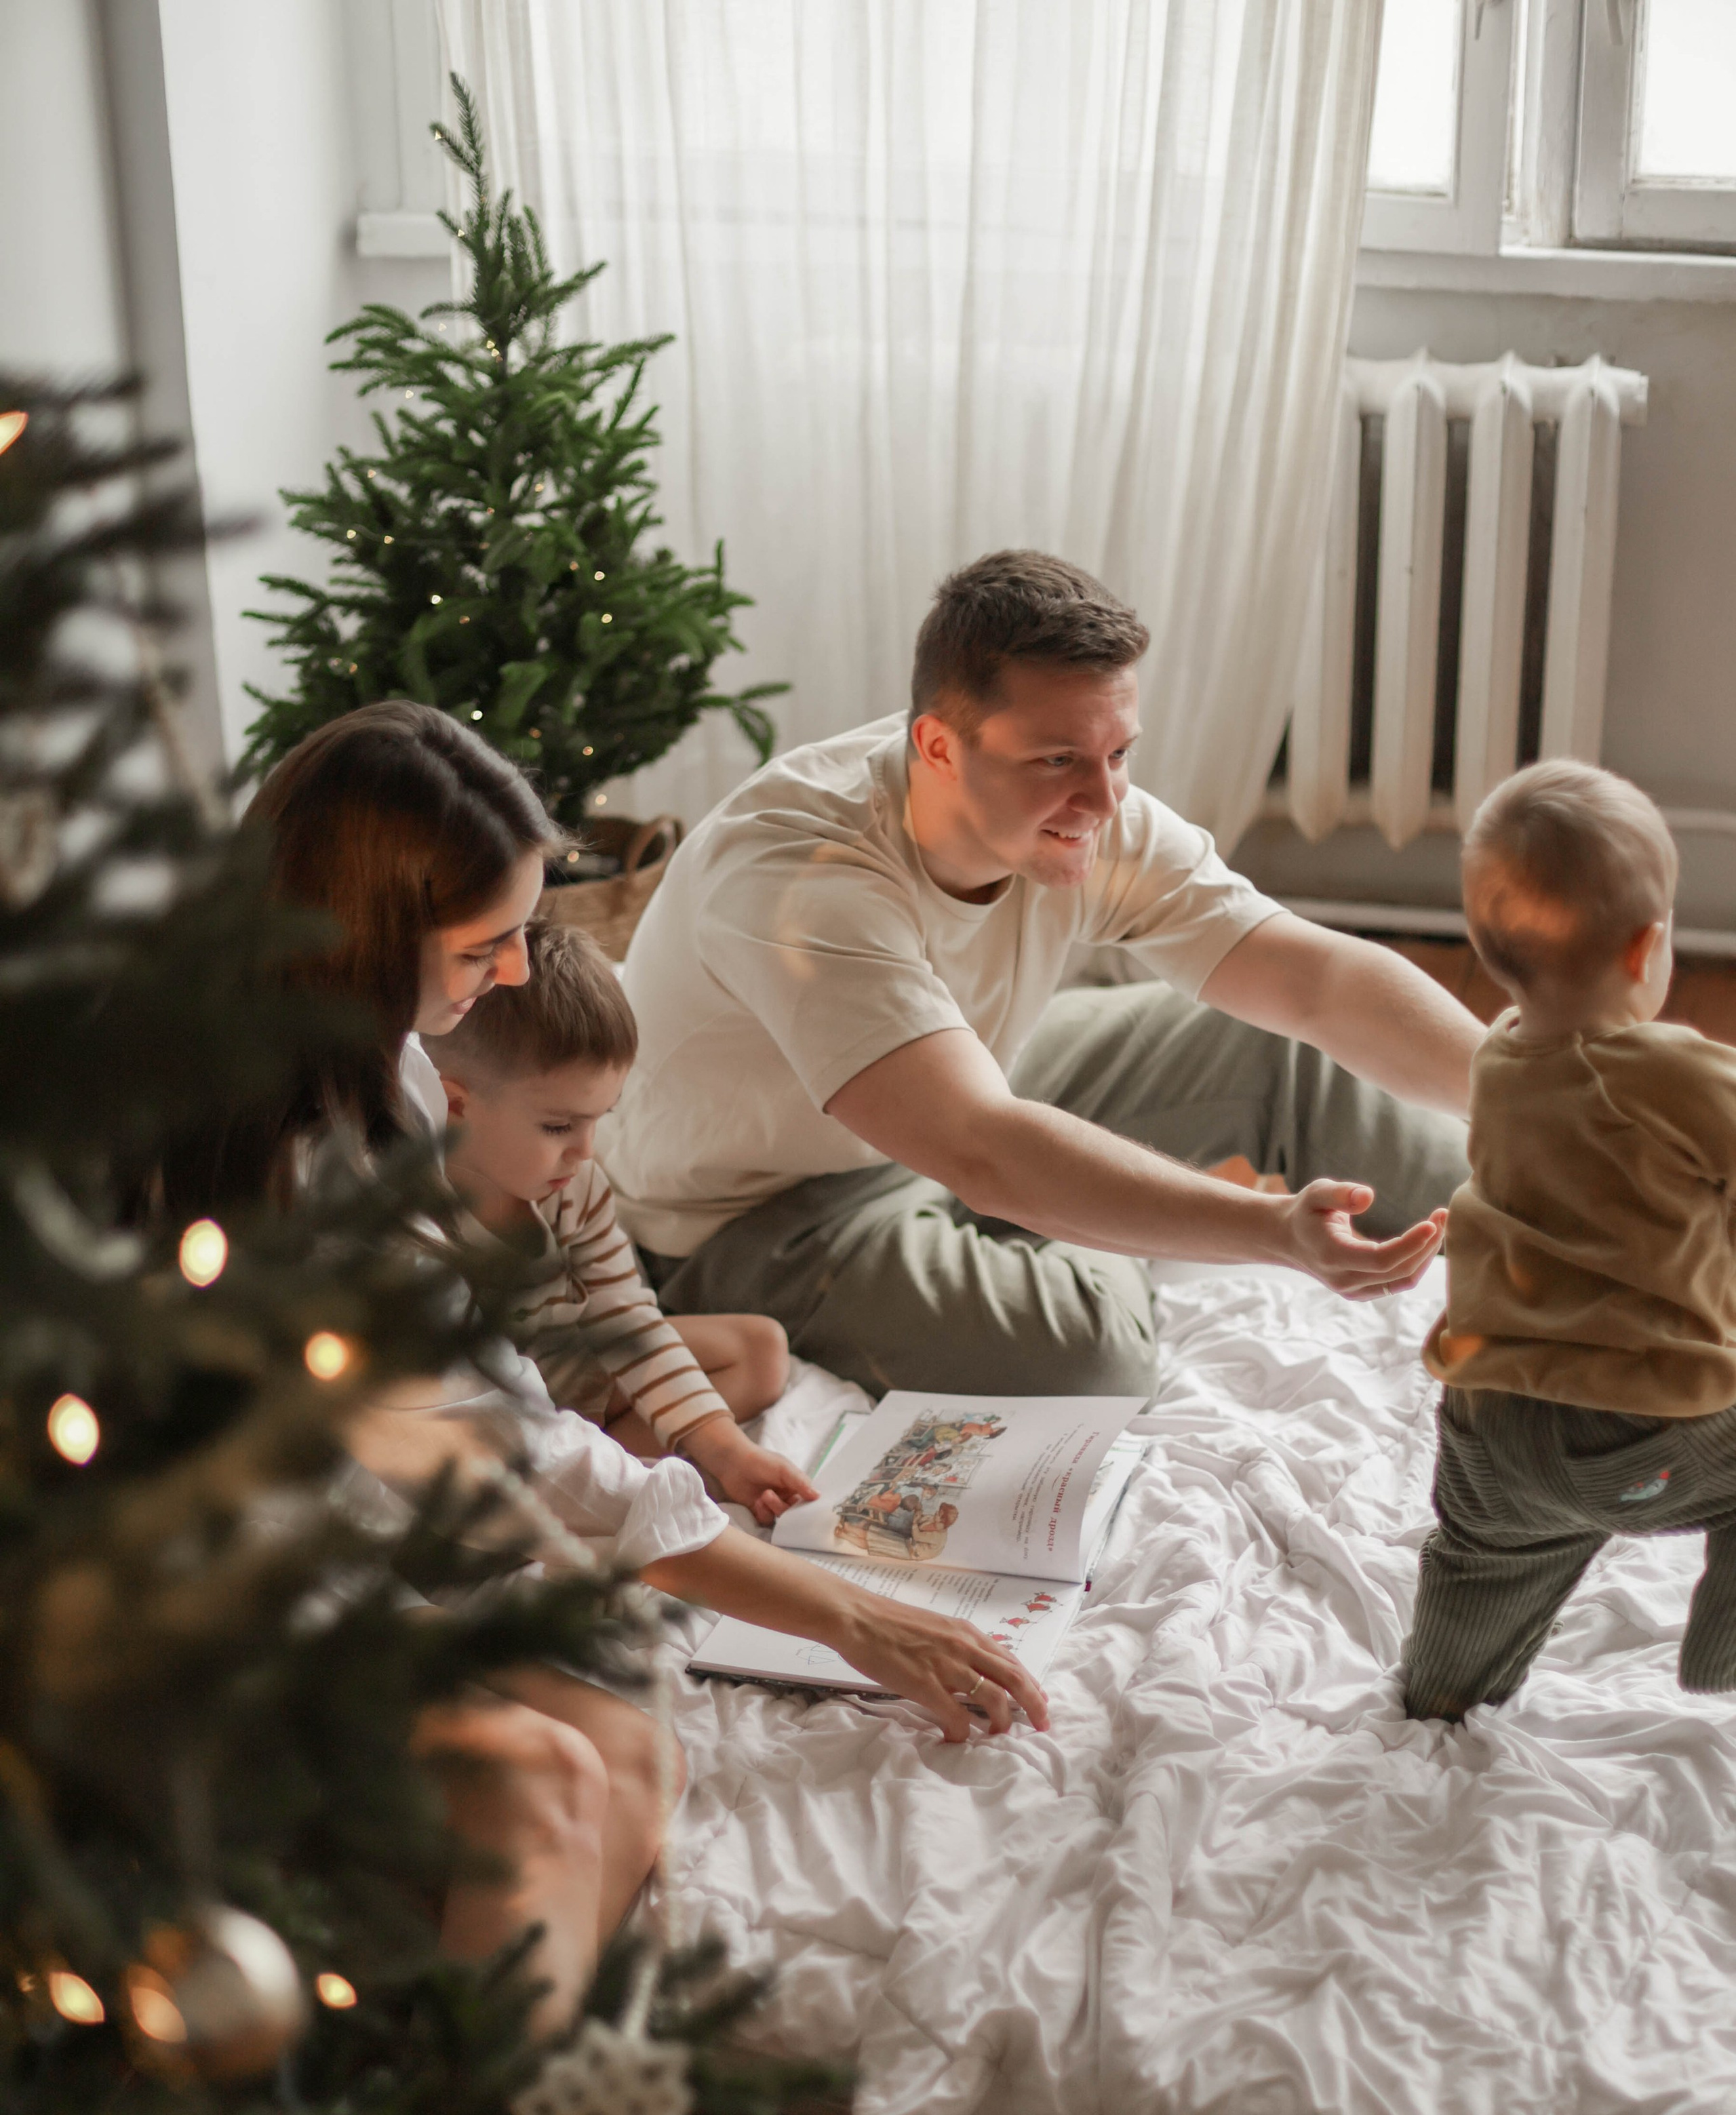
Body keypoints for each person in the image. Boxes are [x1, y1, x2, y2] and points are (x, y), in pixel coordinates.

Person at [222, 705, 1044, 2024]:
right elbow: (524, 1454)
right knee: (546, 1771)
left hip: (376, 1520)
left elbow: (509, 1414)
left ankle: (487, 2081)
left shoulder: (394, 1074)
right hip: (233, 1586)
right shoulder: (290, 1172)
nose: (510, 974)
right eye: (481, 947)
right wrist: (843, 1615)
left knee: (630, 1734)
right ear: (364, 941)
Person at [600, 549, 1483, 1400]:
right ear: (938, 749)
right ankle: (1075, 1204)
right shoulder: (800, 878)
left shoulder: (1077, 811)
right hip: (762, 1213)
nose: (1104, 800)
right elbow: (982, 1146)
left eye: (1119, 753)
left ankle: (1538, 1240)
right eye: (1058, 760)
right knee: (1095, 1350)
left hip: (972, 1087)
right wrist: (1270, 1230)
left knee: (1281, 1051)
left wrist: (1523, 1090)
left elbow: (1314, 980)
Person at [1402, 761, 1736, 1720]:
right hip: (1633, 1432)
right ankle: (1724, 1651)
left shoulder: (1501, 1056)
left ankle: (1444, 1692)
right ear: (1648, 949)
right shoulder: (1678, 1075)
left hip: (1488, 1424)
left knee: (1481, 1561)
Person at [427, 917, 818, 1528]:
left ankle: (619, 1464)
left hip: (581, 1374)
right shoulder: (423, 1220)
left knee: (762, 1348)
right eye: (559, 1126)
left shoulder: (575, 1186)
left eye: (599, 1119)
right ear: (454, 1106)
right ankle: (596, 1481)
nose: (585, 1151)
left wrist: (728, 1450)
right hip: (512, 1418)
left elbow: (625, 1317)